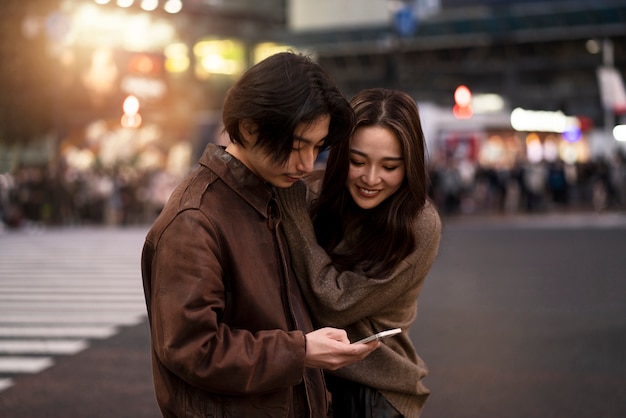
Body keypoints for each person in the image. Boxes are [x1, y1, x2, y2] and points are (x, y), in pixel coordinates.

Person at [140, 52, 379, 418]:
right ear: (250, 128)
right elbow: (192, 348)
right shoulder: (196, 218)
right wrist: (301, 351)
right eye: (298, 145)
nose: (306, 163)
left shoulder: (271, 194)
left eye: (317, 148)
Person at [277, 88, 442, 417]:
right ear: (339, 156)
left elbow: (333, 304)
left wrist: (292, 206)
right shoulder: (313, 191)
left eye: (390, 166)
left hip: (373, 394)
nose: (370, 178)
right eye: (357, 161)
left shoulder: (419, 224)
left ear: (409, 165)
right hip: (302, 381)